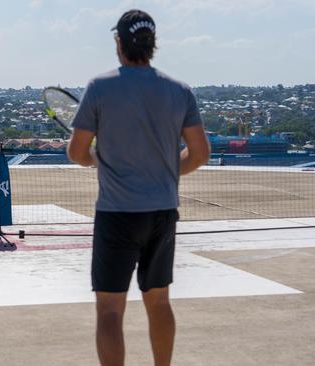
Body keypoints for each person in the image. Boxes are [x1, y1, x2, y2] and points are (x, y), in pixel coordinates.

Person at [67, 10, 210, 366]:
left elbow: (76, 152)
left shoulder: (100, 87)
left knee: (110, 310)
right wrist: (166, 172)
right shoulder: (179, 91)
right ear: (152, 44)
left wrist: (96, 159)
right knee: (159, 300)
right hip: (162, 212)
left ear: (119, 42)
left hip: (117, 214)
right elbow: (200, 153)